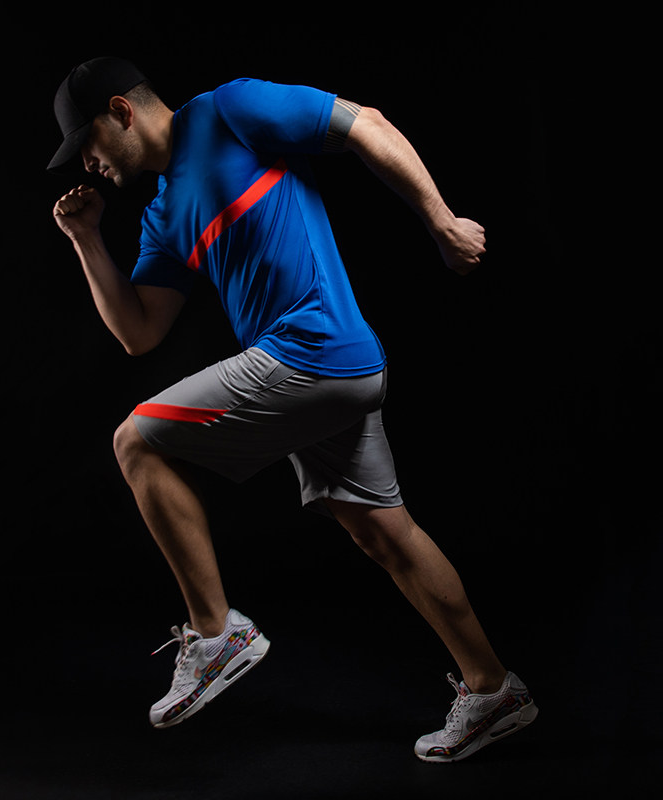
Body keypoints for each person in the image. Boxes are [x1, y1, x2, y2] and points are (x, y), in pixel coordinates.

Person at [47, 56, 538, 762]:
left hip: (314, 351)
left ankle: (217, 635)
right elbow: (139, 331)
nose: (86, 164)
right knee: (385, 536)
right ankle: (494, 689)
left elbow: (366, 124)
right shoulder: (163, 215)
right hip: (319, 373)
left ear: (121, 111)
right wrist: (87, 240)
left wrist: (441, 222)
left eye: (86, 143)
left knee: (136, 441)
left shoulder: (229, 110)